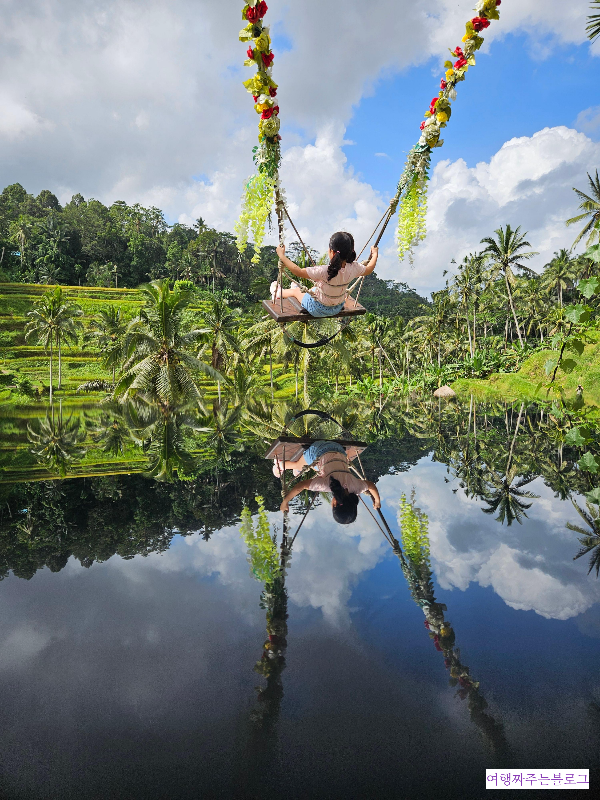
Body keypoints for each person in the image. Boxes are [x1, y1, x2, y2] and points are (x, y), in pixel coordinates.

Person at [270, 231, 378, 318]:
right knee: (314, 289)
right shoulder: (354, 268)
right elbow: (369, 269)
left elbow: (298, 271)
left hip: (316, 308)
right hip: (337, 308)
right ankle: (294, 288)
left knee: (296, 292)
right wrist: (375, 254)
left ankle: (278, 292)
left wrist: (282, 256)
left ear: (332, 252)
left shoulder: (323, 271)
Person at [277, 440, 381, 525]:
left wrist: (377, 501)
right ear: (335, 504)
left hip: (339, 449)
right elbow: (301, 486)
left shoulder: (357, 487)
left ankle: (300, 469)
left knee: (320, 469)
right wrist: (285, 501)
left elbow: (371, 485)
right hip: (319, 449)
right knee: (299, 465)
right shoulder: (328, 485)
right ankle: (281, 465)